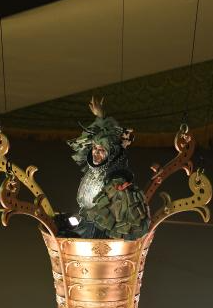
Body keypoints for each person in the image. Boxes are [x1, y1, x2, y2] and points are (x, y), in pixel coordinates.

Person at [56, 97, 150, 239]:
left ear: (110, 153)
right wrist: (101, 117)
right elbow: (99, 133)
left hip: (99, 229)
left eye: (101, 150)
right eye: (94, 148)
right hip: (85, 220)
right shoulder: (94, 168)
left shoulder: (114, 176)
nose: (95, 153)